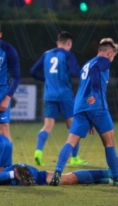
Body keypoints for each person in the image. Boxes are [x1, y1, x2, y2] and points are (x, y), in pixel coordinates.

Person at [49, 38, 118, 186]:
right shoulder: (103, 61)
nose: (112, 59)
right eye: (113, 55)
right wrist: (95, 93)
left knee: (70, 142)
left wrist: (91, 120)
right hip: (97, 106)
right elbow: (95, 72)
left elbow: (84, 83)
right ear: (108, 52)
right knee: (109, 142)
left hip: (80, 107)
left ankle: (57, 171)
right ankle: (116, 177)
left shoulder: (87, 64)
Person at [30, 31, 87, 166]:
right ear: (69, 43)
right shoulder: (68, 54)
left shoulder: (46, 54)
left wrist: (46, 79)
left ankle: (38, 151)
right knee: (73, 126)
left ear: (57, 43)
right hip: (65, 95)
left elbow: (33, 71)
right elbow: (75, 73)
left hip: (49, 95)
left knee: (48, 126)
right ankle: (74, 158)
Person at [0, 162, 115, 186]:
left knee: (67, 180)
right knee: (67, 178)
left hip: (22, 173)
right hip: (23, 168)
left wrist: (16, 175)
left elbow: (1, 176)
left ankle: (108, 173)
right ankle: (107, 176)